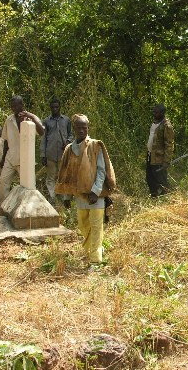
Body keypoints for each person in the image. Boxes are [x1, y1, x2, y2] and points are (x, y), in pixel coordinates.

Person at [55, 114, 116, 266]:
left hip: (96, 196)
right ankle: (93, 251)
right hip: (79, 196)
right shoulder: (70, 149)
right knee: (83, 226)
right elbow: (67, 174)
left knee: (96, 227)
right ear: (74, 129)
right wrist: (67, 197)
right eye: (78, 127)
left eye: (84, 127)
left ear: (88, 128)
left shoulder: (96, 145)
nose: (81, 130)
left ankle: (95, 261)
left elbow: (102, 171)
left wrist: (95, 192)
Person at [0, 95, 44, 204]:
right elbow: (6, 141)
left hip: (25, 159)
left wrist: (30, 115)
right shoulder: (9, 119)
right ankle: (3, 207)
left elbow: (41, 132)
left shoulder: (30, 119)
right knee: (3, 183)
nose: (13, 108)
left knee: (28, 186)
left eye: (15, 106)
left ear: (22, 105)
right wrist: (3, 158)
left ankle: (28, 208)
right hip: (10, 157)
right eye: (11, 106)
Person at [40, 98, 73, 204]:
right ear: (50, 108)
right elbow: (44, 138)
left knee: (63, 175)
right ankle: (52, 197)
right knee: (51, 176)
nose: (55, 109)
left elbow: (71, 134)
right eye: (53, 107)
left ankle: (65, 198)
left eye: (56, 107)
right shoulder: (46, 121)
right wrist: (43, 155)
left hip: (63, 153)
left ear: (60, 107)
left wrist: (68, 142)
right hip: (50, 153)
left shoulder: (66, 120)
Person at [146, 103, 174, 197]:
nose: (154, 114)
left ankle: (167, 197)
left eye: (156, 112)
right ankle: (154, 196)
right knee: (150, 178)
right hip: (150, 155)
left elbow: (169, 144)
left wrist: (166, 161)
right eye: (154, 111)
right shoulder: (154, 122)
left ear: (162, 113)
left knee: (161, 179)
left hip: (159, 158)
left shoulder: (167, 126)